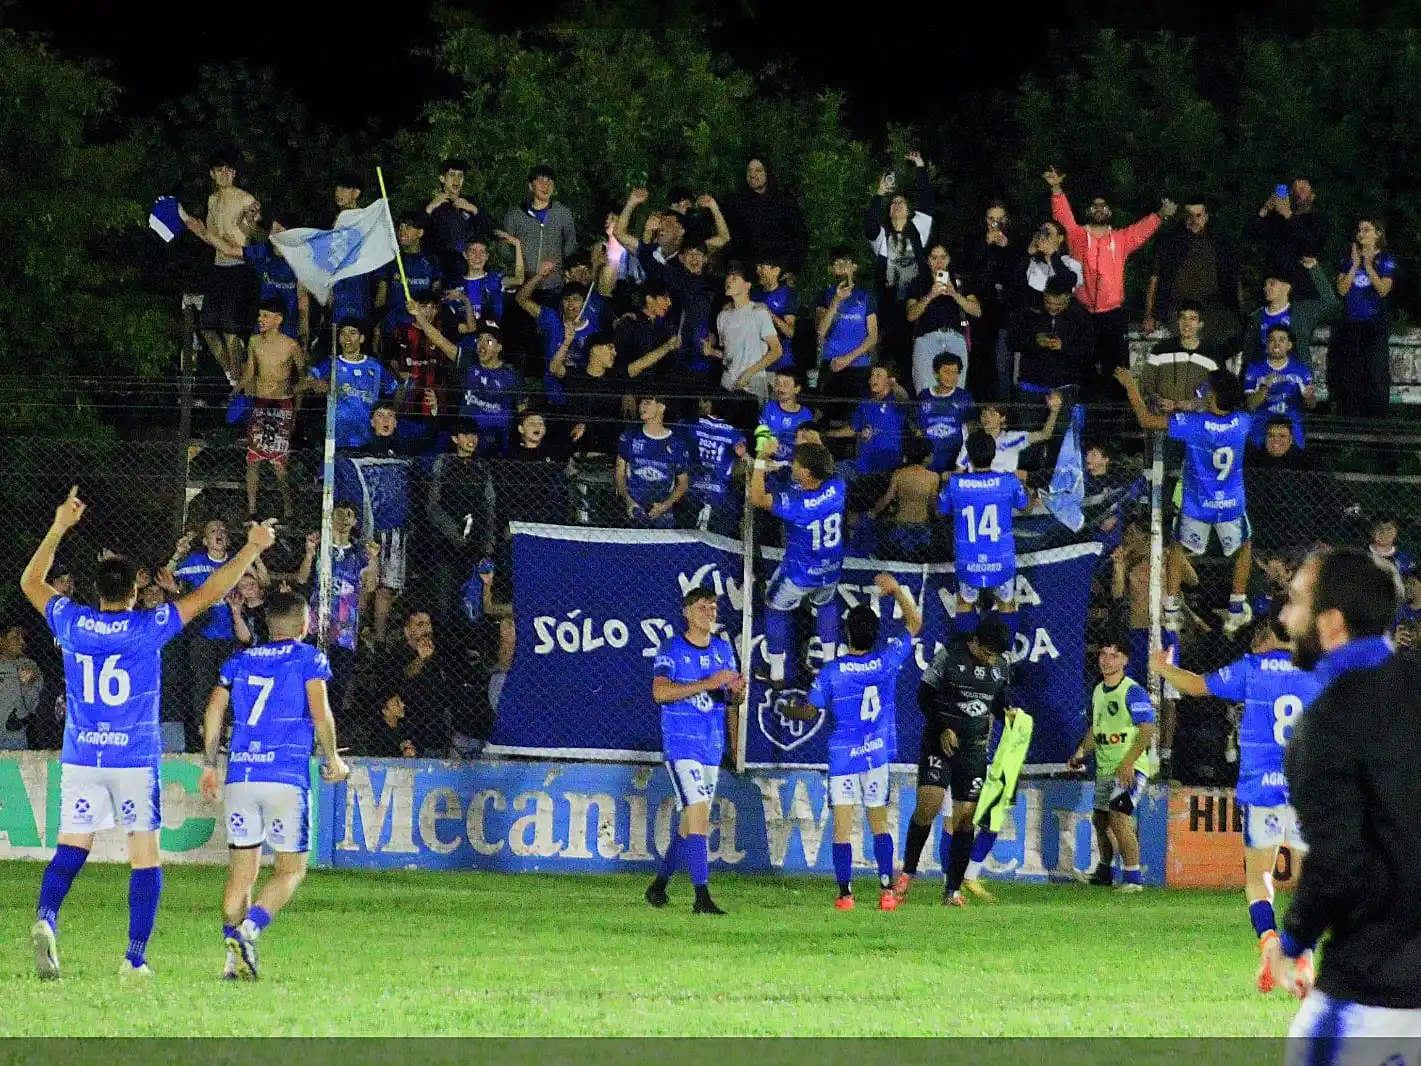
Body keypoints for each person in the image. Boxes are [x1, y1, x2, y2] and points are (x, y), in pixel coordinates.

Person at [21, 489, 275, 980]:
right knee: (145, 857)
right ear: (134, 594)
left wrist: (58, 526)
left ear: (97, 593)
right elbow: (210, 593)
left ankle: (47, 919)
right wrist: (250, 549)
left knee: (72, 846)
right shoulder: (149, 626)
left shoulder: (72, 621)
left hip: (82, 757)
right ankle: (134, 958)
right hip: (133, 759)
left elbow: (31, 580)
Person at [1260, 549, 1419, 1052]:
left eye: (1295, 603)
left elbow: (1338, 864)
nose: (1285, 618)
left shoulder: (1324, 728)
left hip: (1376, 996)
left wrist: (1290, 942)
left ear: (1330, 625)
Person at [1151, 600, 1322, 989]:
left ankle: (1269, 945)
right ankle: (1305, 961)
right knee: (1310, 880)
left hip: (1261, 790)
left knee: (1259, 877)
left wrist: (1163, 667)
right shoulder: (1318, 671)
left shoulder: (1252, 668)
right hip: (1306, 790)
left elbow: (1196, 686)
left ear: (1265, 637)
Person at [199, 589, 350, 980]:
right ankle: (248, 933)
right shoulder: (309, 658)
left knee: (241, 875)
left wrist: (210, 764)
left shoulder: (240, 661)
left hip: (242, 776)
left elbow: (214, 709)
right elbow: (320, 710)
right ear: (305, 625)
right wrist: (332, 756)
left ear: (268, 625)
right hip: (285, 777)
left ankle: (233, 962)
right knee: (291, 870)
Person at [781, 574, 923, 910]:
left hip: (844, 756)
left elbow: (811, 712)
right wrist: (897, 592)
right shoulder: (887, 660)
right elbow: (915, 624)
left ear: (846, 634)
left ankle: (846, 895)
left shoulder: (832, 671)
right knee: (879, 823)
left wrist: (789, 708)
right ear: (876, 635)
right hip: (875, 755)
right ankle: (887, 891)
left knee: (842, 827)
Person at [1115, 365, 1255, 637]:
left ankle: (1170, 607)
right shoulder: (1243, 422)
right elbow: (1250, 406)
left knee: (1177, 547)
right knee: (1245, 546)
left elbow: (1146, 420)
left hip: (1197, 504)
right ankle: (1237, 605)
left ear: (1213, 396)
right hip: (1230, 505)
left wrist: (1131, 386)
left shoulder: (1193, 424)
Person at [644, 587, 747, 915]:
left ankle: (659, 886)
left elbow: (729, 699)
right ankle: (702, 897)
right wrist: (709, 682)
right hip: (681, 743)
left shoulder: (722, 650)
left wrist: (735, 696)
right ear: (686, 612)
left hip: (710, 744)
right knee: (700, 812)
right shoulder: (672, 648)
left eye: (714, 607)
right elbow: (659, 693)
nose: (710, 612)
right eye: (703, 607)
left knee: (689, 823)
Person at [897, 614, 1011, 906]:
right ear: (975, 643)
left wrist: (1006, 712)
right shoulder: (948, 656)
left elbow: (996, 700)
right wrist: (942, 728)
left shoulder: (1000, 667)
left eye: (996, 655)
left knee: (965, 819)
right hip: (940, 743)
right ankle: (907, 873)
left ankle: (953, 890)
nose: (990, 660)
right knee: (929, 805)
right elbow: (923, 697)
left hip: (974, 749)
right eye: (987, 653)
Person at [1044, 166, 1175, 404]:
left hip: (1113, 316)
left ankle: (1117, 424)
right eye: (1095, 206)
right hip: (1083, 313)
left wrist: (1160, 215)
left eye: (1103, 206)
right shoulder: (1077, 237)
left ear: (1110, 212)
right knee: (1082, 369)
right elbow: (1062, 217)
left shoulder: (1120, 239)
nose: (1099, 209)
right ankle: (1084, 423)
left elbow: (1141, 231)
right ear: (1088, 210)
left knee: (1117, 373)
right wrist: (1056, 189)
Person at [744, 435, 846, 686]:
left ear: (808, 473)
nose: (793, 464)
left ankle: (777, 672)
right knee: (826, 604)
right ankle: (829, 667)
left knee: (774, 607)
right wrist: (819, 443)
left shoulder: (798, 505)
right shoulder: (838, 488)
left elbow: (756, 498)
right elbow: (826, 468)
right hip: (831, 568)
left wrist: (760, 459)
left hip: (799, 574)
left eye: (798, 463)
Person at [1067, 630, 1156, 891]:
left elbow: (1147, 730)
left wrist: (1128, 762)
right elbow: (1096, 728)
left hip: (1129, 769)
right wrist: (1081, 751)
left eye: (1114, 656)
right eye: (1103, 655)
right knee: (1101, 820)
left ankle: (1133, 878)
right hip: (1107, 769)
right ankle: (1105, 871)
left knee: (1119, 817)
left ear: (1125, 661)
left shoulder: (1133, 691)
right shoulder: (1098, 691)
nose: (1107, 660)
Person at [939, 431, 1032, 630]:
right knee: (1006, 604)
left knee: (965, 603)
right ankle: (1004, 651)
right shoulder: (1008, 481)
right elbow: (1026, 507)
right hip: (1001, 559)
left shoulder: (955, 484)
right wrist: (1026, 486)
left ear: (969, 456)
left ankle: (966, 649)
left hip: (968, 560)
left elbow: (940, 511)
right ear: (994, 454)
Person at [296, 506, 378, 713]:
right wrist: (308, 554)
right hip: (316, 626)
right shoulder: (320, 547)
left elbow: (370, 586)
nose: (343, 518)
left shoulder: (360, 554)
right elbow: (302, 578)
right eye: (338, 514)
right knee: (311, 681)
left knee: (338, 684)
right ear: (329, 519)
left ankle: (328, 736)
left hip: (345, 631)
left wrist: (374, 559)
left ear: (355, 522)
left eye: (349, 514)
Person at [238, 299, 305, 521]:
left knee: (279, 463)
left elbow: (303, 379)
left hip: (282, 404)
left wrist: (297, 409)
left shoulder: (291, 345)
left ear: (278, 319)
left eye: (265, 315)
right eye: (260, 315)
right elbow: (249, 374)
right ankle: (252, 509)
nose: (261, 320)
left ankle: (288, 507)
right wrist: (235, 394)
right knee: (253, 458)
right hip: (260, 402)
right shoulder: (254, 342)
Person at [1331, 218, 1396, 418]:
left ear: (1377, 234)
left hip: (1374, 325)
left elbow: (1384, 289)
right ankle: (1351, 422)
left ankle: (1376, 424)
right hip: (1351, 325)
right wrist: (1354, 266)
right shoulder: (1348, 259)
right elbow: (1341, 290)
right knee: (1351, 376)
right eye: (1359, 229)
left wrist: (1368, 266)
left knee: (1376, 376)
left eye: (1366, 229)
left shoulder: (1385, 259)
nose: (1361, 233)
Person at [303, 319, 401, 449]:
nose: (347, 338)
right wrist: (316, 383)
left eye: (352, 333)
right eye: (343, 334)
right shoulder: (331, 363)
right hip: (337, 437)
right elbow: (303, 384)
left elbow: (394, 389)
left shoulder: (375, 365)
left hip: (369, 439)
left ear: (361, 338)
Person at [905, 244, 980, 395]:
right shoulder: (918, 282)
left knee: (955, 390)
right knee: (926, 389)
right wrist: (930, 296)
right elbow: (911, 315)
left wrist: (954, 293)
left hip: (955, 339)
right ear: (928, 260)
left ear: (949, 259)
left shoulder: (959, 282)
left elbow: (977, 311)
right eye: (934, 258)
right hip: (927, 340)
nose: (939, 262)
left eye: (943, 257)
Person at [703, 262, 781, 407]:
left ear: (747, 285)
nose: (728, 281)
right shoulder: (723, 316)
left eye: (734, 278)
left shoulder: (759, 313)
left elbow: (776, 350)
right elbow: (730, 354)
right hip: (727, 382)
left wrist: (748, 373)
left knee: (751, 427)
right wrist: (712, 351)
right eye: (728, 278)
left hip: (753, 383)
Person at [615, 395, 690, 530]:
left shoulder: (677, 443)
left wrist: (665, 506)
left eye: (647, 403)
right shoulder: (630, 436)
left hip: (662, 517)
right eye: (640, 403)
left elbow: (683, 482)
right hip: (632, 513)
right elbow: (619, 474)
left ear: (661, 407)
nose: (641, 406)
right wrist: (628, 501)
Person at [501, 165, 578, 295]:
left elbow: (570, 246)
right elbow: (504, 249)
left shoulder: (563, 213)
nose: (545, 186)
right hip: (523, 286)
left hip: (554, 286)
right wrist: (517, 269)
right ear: (531, 186)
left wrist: (562, 268)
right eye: (540, 181)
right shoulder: (515, 215)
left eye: (549, 181)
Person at [816, 245, 878, 401]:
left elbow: (872, 336)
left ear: (854, 266)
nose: (841, 267)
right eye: (837, 263)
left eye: (845, 262)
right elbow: (821, 330)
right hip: (831, 362)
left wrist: (848, 359)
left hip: (858, 365)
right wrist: (836, 300)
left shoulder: (865, 295)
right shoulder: (825, 294)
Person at [681, 396, 746, 536]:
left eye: (703, 400)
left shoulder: (691, 424)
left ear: (710, 403)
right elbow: (743, 459)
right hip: (720, 493)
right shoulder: (735, 433)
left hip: (691, 490)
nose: (699, 403)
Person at [1243, 325, 1317, 448]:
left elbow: (1312, 405)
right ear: (1266, 344)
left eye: (1282, 340)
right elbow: (1250, 405)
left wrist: (1309, 397)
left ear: (1289, 345)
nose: (1276, 344)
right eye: (1272, 340)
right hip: (1262, 423)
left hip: (1291, 423)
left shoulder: (1300, 369)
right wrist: (1264, 387)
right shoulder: (1255, 368)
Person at [1138, 301, 1220, 410]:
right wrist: (1159, 400)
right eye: (1183, 318)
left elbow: (1217, 388)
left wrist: (1194, 404)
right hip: (1164, 420)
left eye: (1192, 319)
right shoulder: (1161, 349)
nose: (1187, 323)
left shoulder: (1210, 354)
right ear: (1178, 321)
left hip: (1197, 421)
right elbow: (1145, 384)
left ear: (1201, 324)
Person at [915, 354, 974, 476]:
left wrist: (961, 467)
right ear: (935, 373)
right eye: (946, 372)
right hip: (927, 468)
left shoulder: (964, 397)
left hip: (955, 467)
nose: (951, 376)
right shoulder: (924, 396)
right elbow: (917, 430)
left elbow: (972, 435)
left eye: (955, 372)